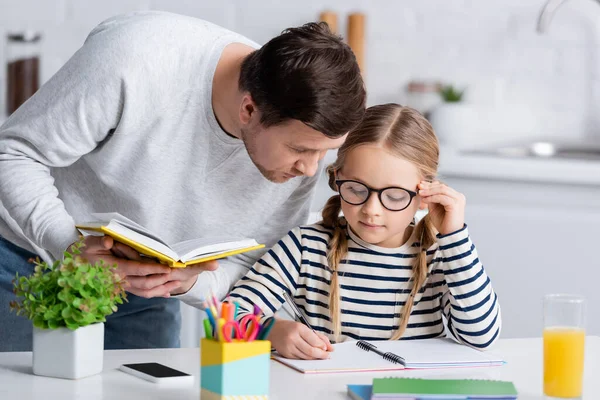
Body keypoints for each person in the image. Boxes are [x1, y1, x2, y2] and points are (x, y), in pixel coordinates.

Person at [0, 11, 366, 351]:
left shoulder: (303, 147)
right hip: (29, 262)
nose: (310, 170)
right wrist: (68, 246)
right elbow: (14, 153)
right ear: (249, 109)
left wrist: (188, 283)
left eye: (325, 153)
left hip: (147, 294)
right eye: (300, 150)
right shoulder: (137, 59)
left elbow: (252, 266)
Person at [228, 104, 501, 360]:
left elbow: (481, 336)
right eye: (357, 190)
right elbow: (228, 317)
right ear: (337, 178)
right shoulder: (305, 248)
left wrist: (455, 239)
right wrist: (271, 331)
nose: (371, 210)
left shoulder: (441, 256)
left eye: (394, 196)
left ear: (424, 195)